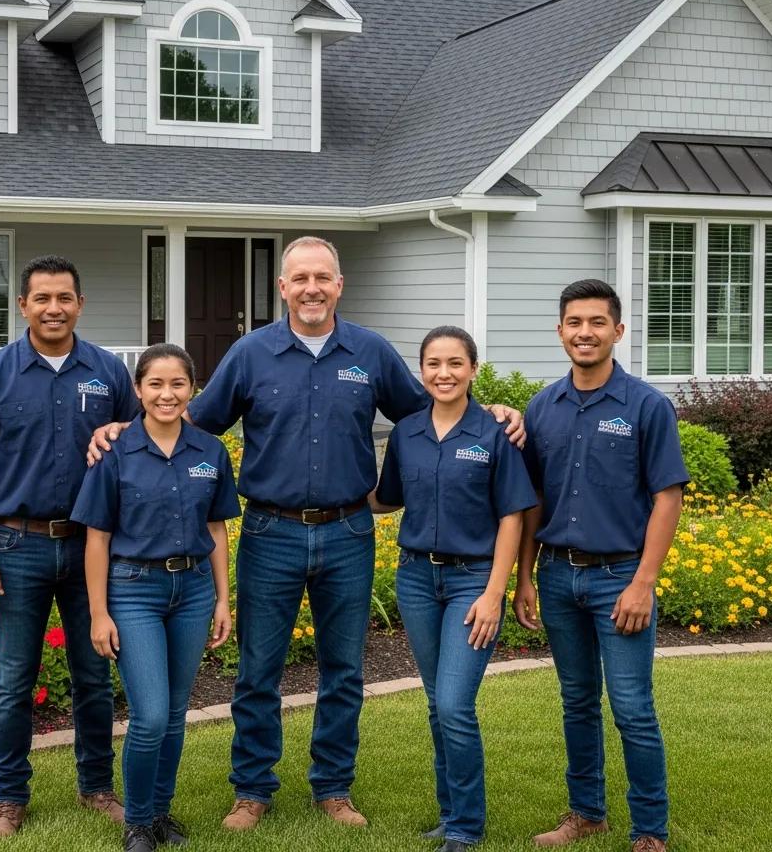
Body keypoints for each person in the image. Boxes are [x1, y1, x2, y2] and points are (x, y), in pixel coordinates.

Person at [89, 236, 525, 830]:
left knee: (343, 670)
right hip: (271, 532)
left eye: (322, 277)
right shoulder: (251, 354)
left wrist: (496, 412)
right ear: (283, 287)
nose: (312, 288)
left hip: (348, 532)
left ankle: (333, 787)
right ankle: (252, 789)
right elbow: (193, 417)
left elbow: (433, 408)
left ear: (339, 285)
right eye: (300, 278)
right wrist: (124, 427)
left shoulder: (370, 352)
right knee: (258, 669)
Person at [0, 255, 137, 839]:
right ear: (23, 305)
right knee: (13, 682)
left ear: (80, 304)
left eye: (65, 298)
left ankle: (96, 786)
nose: (55, 308)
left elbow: (143, 442)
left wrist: (123, 430)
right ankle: (9, 799)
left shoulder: (107, 372)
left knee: (94, 676)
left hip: (90, 549)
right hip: (17, 546)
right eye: (43, 298)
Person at [513, 280, 688, 852]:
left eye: (596, 322)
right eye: (574, 322)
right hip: (558, 576)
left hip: (621, 579)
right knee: (578, 701)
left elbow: (667, 497)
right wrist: (525, 577)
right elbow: (533, 500)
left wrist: (643, 583)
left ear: (618, 330)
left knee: (633, 708)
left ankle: (649, 830)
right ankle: (587, 812)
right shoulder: (543, 408)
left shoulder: (646, 406)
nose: (584, 332)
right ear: (559, 331)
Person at [71, 344, 240, 852]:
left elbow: (217, 528)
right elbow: (97, 538)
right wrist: (99, 613)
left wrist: (222, 599)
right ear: (138, 390)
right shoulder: (113, 452)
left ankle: (162, 812)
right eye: (156, 384)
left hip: (193, 591)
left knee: (174, 712)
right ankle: (138, 823)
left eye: (178, 384)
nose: (167, 394)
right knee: (148, 716)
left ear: (192, 389)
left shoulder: (210, 451)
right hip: (133, 591)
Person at [374, 326, 535, 851]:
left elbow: (513, 516)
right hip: (417, 579)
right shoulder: (406, 433)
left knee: (453, 704)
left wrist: (494, 592)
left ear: (473, 369)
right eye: (433, 364)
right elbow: (386, 497)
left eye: (455, 363)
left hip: (473, 581)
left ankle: (466, 825)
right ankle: (449, 815)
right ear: (421, 371)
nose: (444, 373)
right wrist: (325, 493)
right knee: (435, 702)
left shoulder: (495, 433)